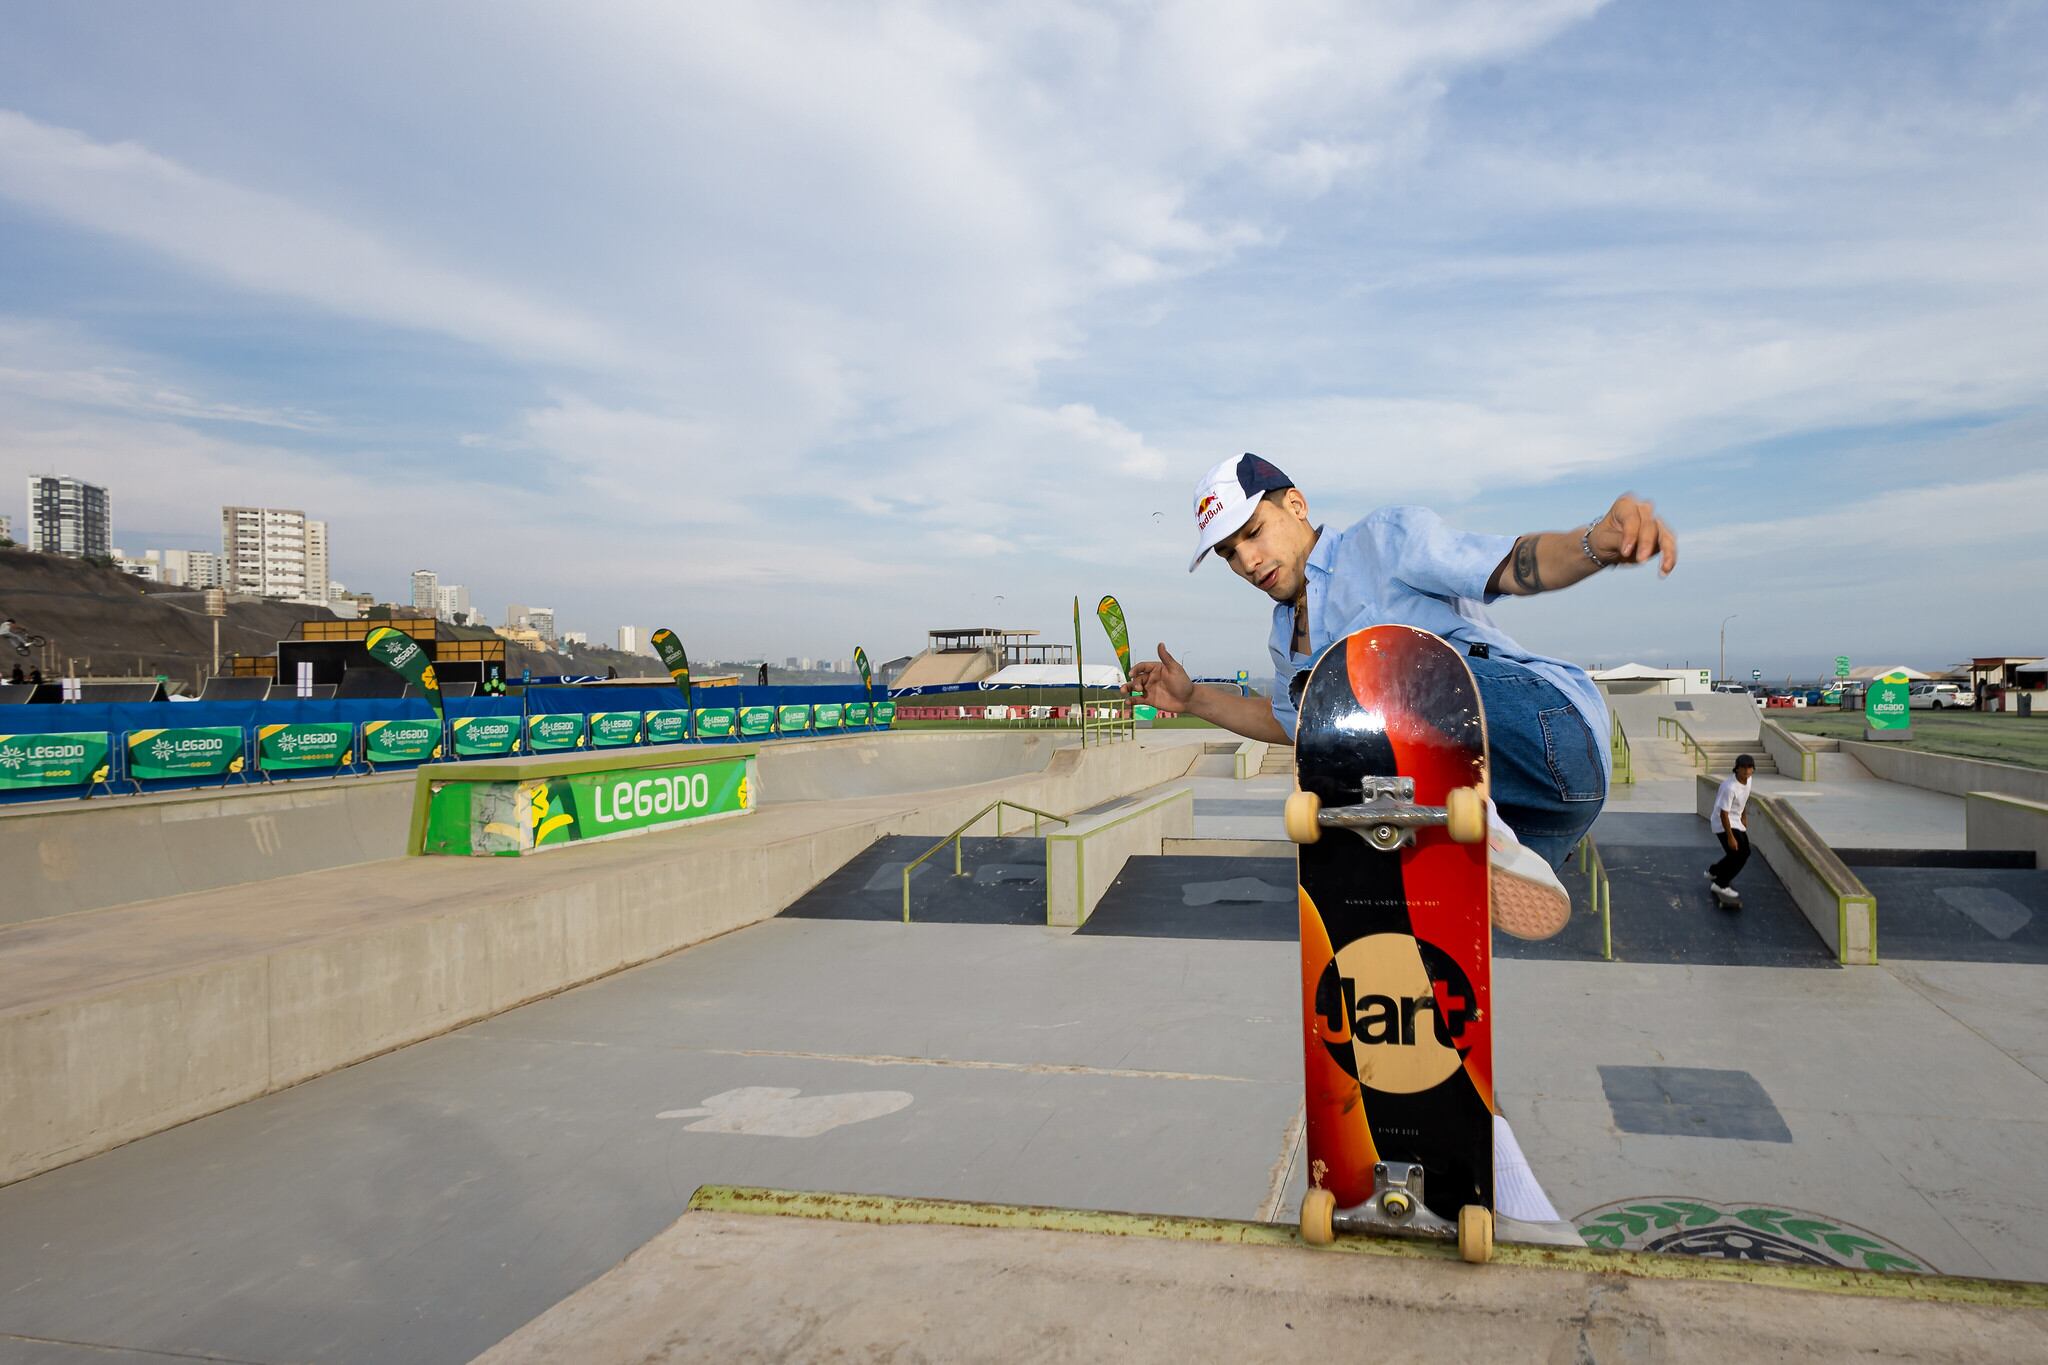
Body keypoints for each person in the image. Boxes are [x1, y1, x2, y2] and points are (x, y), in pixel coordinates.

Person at [1131, 453, 1677, 941]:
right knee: (1327, 738)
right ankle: (1429, 929)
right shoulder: (1284, 638)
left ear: (1295, 506)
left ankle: (1472, 841)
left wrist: (1592, 545)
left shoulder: (1382, 543)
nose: (1247, 562)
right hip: (1534, 819)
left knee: (1362, 663)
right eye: (1230, 554)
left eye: (1253, 533)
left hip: (1547, 736)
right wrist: (1195, 697)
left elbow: (1512, 565)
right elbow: (1289, 725)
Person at [1707, 756, 1756, 904]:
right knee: (1738, 853)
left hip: (1735, 819)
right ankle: (1720, 884)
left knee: (1743, 852)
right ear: (1737, 768)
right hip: (1722, 822)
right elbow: (1723, 813)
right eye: (1743, 768)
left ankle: (1713, 872)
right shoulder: (1730, 787)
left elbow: (1745, 798)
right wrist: (1730, 837)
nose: (1747, 771)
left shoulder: (1749, 780)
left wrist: (1744, 816)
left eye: (1749, 768)